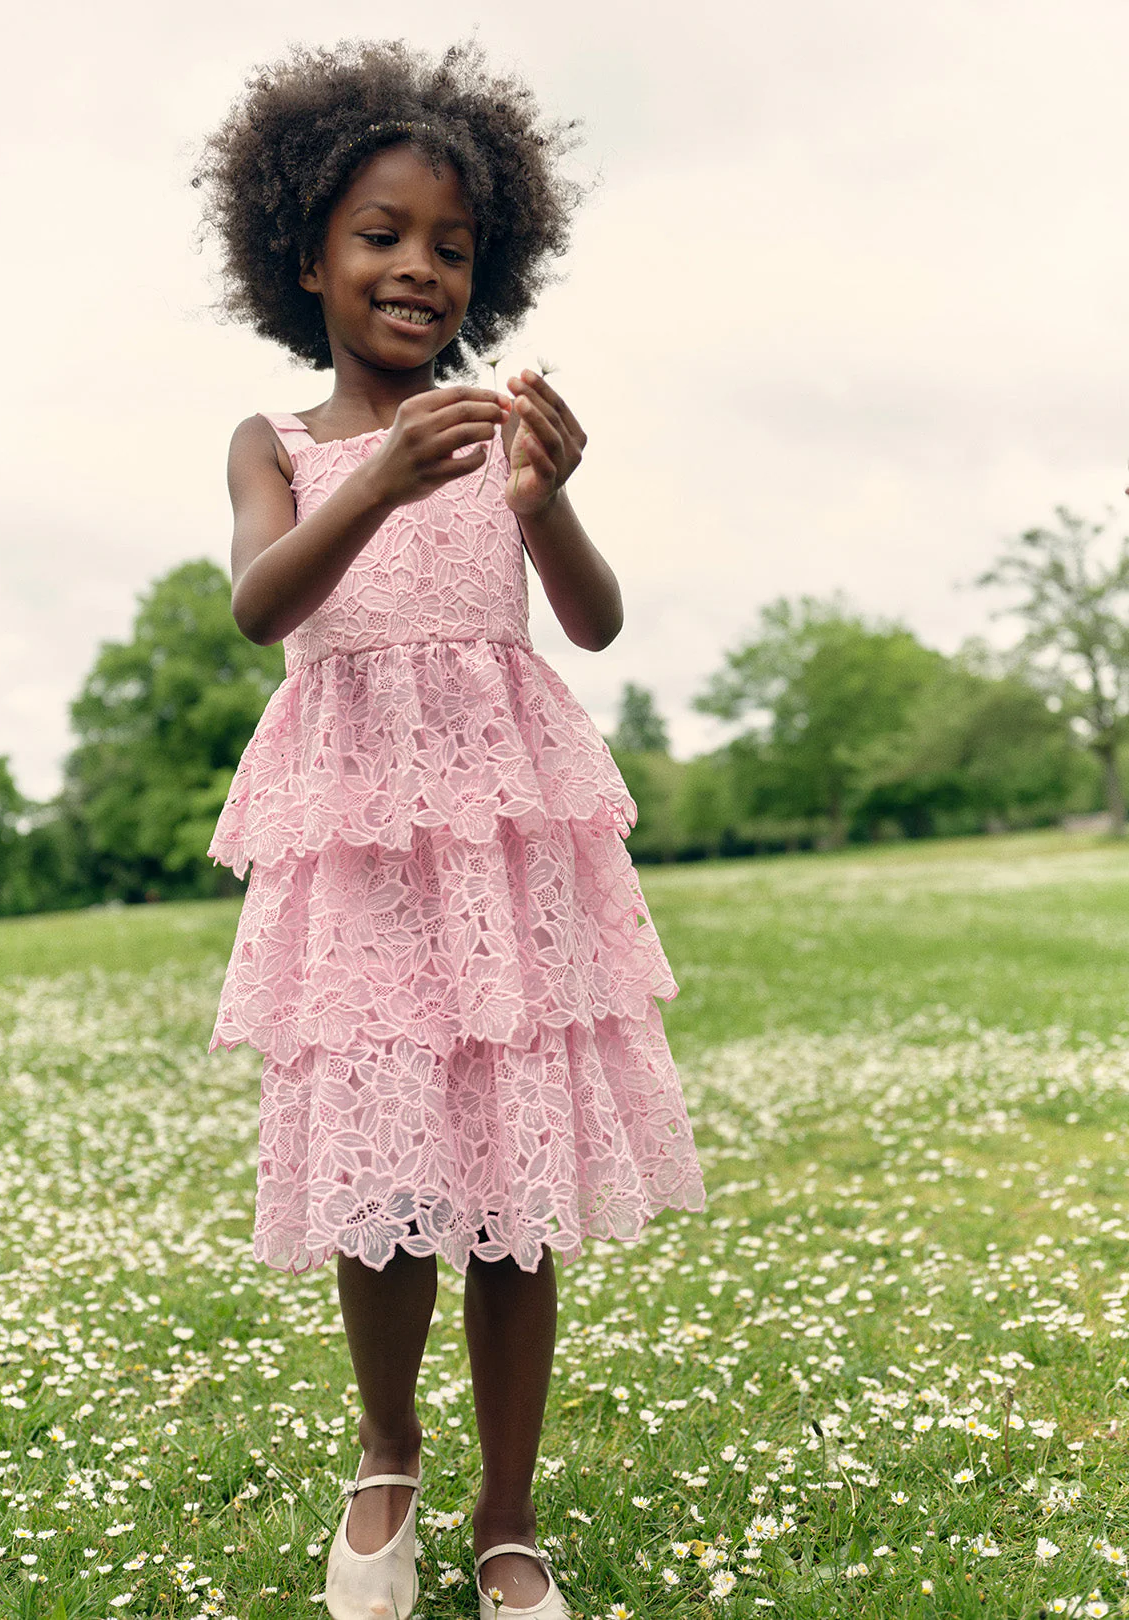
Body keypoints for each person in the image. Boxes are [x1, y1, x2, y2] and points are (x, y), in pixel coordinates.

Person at [193, 39, 705, 1620]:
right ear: (307, 257)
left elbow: (595, 623)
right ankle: (388, 1451)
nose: (421, 267)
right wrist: (376, 488)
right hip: (362, 846)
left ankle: (508, 1513)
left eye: (454, 246)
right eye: (383, 235)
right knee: (384, 1173)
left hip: (498, 845)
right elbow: (261, 605)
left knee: (509, 1184)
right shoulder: (276, 444)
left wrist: (545, 501)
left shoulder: (491, 432)